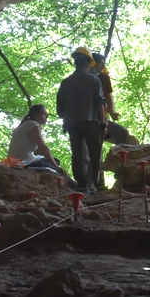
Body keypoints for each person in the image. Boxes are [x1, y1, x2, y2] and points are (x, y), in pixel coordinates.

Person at [56, 46, 105, 193]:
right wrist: (103, 123)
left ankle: (82, 186)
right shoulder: (94, 80)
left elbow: (60, 110)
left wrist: (67, 120)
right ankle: (94, 186)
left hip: (72, 125)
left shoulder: (65, 83)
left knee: (77, 155)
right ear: (87, 63)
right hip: (91, 123)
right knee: (94, 155)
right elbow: (99, 103)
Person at [4, 104, 76, 184]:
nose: (47, 117)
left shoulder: (26, 124)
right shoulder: (33, 125)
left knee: (54, 160)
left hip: (17, 160)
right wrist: (56, 166)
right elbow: (43, 148)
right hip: (22, 162)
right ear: (36, 115)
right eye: (44, 114)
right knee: (55, 167)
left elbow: (39, 151)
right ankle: (74, 185)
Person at [91, 52, 139, 146]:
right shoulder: (87, 80)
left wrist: (111, 111)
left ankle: (121, 157)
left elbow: (108, 97)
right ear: (93, 63)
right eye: (101, 63)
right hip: (91, 118)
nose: (103, 66)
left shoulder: (103, 77)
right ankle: (119, 157)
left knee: (127, 137)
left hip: (101, 118)